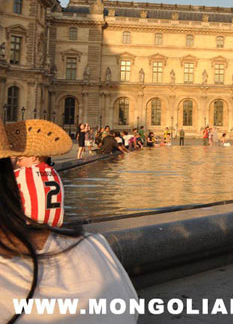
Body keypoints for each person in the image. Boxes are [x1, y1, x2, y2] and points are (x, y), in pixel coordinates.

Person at [0, 120, 138, 323]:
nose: (18, 162)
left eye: (19, 158)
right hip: (54, 234)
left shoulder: (7, 279)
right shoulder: (95, 247)